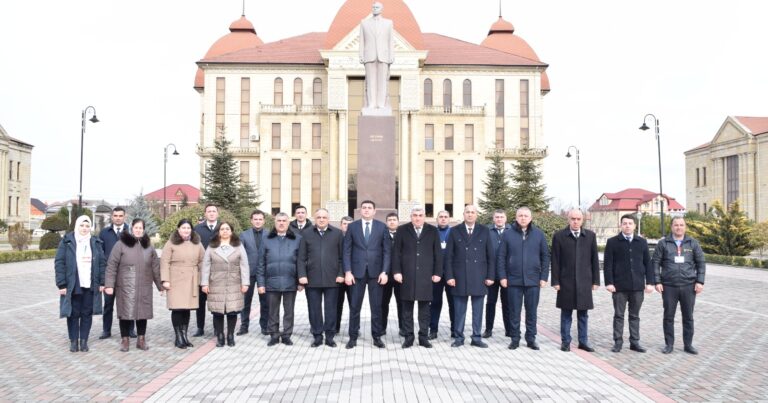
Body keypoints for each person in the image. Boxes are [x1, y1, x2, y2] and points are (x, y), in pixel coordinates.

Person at [104, 218, 163, 352]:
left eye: (140, 228)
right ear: (131, 229)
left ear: (143, 229)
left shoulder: (149, 247)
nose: (138, 230)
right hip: (125, 286)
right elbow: (112, 265)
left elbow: (155, 267)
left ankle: (141, 340)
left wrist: (160, 286)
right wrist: (109, 285)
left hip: (144, 286)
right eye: (136, 227)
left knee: (143, 313)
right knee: (125, 313)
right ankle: (125, 340)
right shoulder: (120, 245)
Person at [497, 207, 550, 350]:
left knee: (531, 311)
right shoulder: (508, 235)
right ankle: (515, 338)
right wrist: (502, 276)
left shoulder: (538, 234)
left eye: (526, 216)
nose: (523, 218)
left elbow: (545, 257)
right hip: (513, 280)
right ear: (516, 217)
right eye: (520, 215)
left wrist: (544, 276)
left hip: (533, 280)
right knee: (514, 311)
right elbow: (501, 257)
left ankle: (531, 338)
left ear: (531, 218)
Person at [652, 217, 706, 355]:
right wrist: (657, 282)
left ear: (685, 227)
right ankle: (669, 344)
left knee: (688, 317)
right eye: (676, 225)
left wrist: (700, 281)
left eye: (681, 225)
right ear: (671, 227)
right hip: (669, 286)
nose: (679, 227)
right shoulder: (663, 243)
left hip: (689, 285)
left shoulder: (693, 243)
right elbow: (655, 263)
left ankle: (688, 345)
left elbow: (701, 263)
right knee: (668, 316)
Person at [444, 205, 495, 348]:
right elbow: (449, 257)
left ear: (476, 215)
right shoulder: (454, 231)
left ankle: (476, 337)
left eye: (473, 212)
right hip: (459, 277)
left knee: (478, 310)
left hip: (479, 276)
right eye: (468, 212)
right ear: (463, 214)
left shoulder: (484, 231)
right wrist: (449, 276)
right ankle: (459, 337)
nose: (470, 215)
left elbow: (490, 255)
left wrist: (491, 276)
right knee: (459, 310)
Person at [392, 206, 442, 348]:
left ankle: (423, 337)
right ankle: (408, 337)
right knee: (407, 309)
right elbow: (396, 253)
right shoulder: (402, 230)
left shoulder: (432, 231)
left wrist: (438, 273)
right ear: (411, 216)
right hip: (406, 276)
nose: (417, 218)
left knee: (424, 310)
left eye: (420, 215)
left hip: (426, 277)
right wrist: (396, 271)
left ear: (424, 216)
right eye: (415, 215)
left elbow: (438, 254)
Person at [343, 200, 391, 349]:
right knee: (354, 307)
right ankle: (353, 337)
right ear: (360, 210)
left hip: (376, 274)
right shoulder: (352, 227)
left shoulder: (382, 227)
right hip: (356, 274)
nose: (366, 210)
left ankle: (376, 337)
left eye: (370, 208)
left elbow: (387, 251)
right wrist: (348, 272)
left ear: (374, 211)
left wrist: (385, 271)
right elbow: (347, 250)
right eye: (364, 208)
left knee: (376, 307)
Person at [551, 209, 600, 352]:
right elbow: (555, 260)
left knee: (583, 314)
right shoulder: (559, 236)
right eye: (573, 218)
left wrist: (596, 280)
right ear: (568, 219)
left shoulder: (590, 236)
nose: (576, 221)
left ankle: (583, 341)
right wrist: (555, 281)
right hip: (566, 282)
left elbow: (594, 260)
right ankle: (565, 341)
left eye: (578, 219)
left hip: (585, 282)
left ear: (582, 220)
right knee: (566, 314)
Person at [603, 214, 654, 353]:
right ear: (621, 225)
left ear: (634, 225)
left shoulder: (642, 242)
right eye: (624, 223)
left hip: (637, 286)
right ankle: (618, 342)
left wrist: (650, 282)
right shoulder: (613, 242)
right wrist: (609, 282)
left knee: (635, 316)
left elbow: (648, 264)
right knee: (619, 315)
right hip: (619, 287)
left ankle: (634, 342)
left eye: (630, 223)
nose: (627, 225)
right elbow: (608, 265)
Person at [55, 215, 106, 352]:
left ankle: (84, 340)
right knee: (73, 313)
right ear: (77, 226)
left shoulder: (95, 242)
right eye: (82, 225)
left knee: (86, 313)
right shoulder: (67, 241)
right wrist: (61, 284)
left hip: (90, 284)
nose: (84, 228)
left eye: (87, 225)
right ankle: (73, 341)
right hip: (74, 284)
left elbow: (102, 263)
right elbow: (59, 263)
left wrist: (102, 282)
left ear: (90, 227)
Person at [257, 212, 304, 346]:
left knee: (289, 311)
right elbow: (261, 263)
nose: (281, 223)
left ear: (288, 223)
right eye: (279, 221)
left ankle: (287, 335)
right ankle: (274, 335)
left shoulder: (297, 239)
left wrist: (300, 281)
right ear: (275, 223)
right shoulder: (266, 239)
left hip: (290, 281)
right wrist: (260, 283)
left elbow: (301, 261)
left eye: (284, 221)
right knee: (273, 311)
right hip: (271, 282)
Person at [298, 208, 344, 347]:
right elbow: (301, 258)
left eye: (324, 217)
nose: (322, 219)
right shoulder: (306, 234)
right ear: (314, 219)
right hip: (312, 279)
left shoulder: (337, 233)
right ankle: (317, 336)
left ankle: (330, 336)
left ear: (328, 219)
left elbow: (342, 257)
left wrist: (341, 274)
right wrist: (302, 275)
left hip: (332, 279)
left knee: (331, 309)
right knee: (314, 309)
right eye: (319, 217)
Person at [201, 222, 250, 347]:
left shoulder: (238, 246)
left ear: (232, 231)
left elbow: (244, 265)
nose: (225, 231)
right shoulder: (212, 246)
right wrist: (204, 283)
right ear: (218, 232)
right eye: (222, 229)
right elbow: (206, 265)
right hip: (216, 283)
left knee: (232, 311)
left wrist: (245, 283)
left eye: (227, 229)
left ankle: (230, 335)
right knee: (218, 311)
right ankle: (220, 336)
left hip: (234, 283)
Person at [161, 219, 205, 349]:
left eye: (188, 228)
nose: (186, 230)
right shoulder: (171, 243)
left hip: (192, 279)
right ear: (178, 229)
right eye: (183, 228)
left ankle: (184, 336)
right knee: (177, 308)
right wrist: (165, 280)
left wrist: (203, 279)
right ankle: (178, 337)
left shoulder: (197, 243)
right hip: (175, 280)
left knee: (187, 309)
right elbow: (164, 262)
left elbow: (202, 261)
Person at [99, 206, 133, 340]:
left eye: (120, 216)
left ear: (125, 217)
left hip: (126, 274)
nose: (118, 218)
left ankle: (130, 329)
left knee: (128, 303)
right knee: (108, 304)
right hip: (110, 275)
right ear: (112, 217)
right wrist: (102, 278)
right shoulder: (104, 233)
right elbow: (100, 256)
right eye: (115, 216)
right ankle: (106, 330)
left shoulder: (130, 232)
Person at [358, 1, 394, 113]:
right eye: (373, 7)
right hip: (369, 55)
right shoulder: (364, 23)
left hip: (383, 55)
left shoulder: (388, 23)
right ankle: (372, 104)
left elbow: (390, 40)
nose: (375, 8)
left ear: (381, 9)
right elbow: (361, 41)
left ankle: (381, 104)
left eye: (377, 7)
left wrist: (391, 55)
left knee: (382, 80)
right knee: (370, 80)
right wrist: (361, 54)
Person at [238, 210, 269, 336]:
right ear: (251, 220)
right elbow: (240, 255)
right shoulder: (244, 235)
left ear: (264, 221)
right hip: (248, 273)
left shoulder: (270, 234)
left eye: (260, 219)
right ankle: (244, 326)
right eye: (255, 219)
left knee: (265, 302)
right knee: (245, 302)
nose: (258, 221)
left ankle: (265, 326)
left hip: (265, 273)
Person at [484, 209, 512, 339]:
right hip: (491, 275)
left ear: (505, 219)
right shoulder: (487, 231)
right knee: (490, 303)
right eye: (497, 217)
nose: (499, 219)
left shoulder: (512, 231)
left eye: (501, 217)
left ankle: (509, 329)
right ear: (493, 219)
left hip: (507, 275)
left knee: (507, 303)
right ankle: (488, 329)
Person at [192, 203, 220, 337]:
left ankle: (217, 328)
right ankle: (200, 327)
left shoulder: (223, 228)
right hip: (201, 271)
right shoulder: (197, 229)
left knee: (216, 301)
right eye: (209, 211)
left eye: (214, 211)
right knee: (200, 302)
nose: (211, 213)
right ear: (205, 214)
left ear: (217, 214)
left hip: (217, 271)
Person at [429, 210, 454, 339]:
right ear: (436, 219)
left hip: (451, 275)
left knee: (453, 303)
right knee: (434, 303)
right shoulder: (432, 232)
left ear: (449, 219)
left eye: (446, 217)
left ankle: (455, 330)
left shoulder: (454, 232)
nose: (443, 219)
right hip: (435, 275)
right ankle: (433, 330)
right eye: (441, 217)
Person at [381, 211, 404, 337]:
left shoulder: (404, 234)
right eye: (389, 220)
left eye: (394, 219)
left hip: (400, 276)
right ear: (386, 222)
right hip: (385, 276)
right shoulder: (382, 235)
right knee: (383, 303)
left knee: (402, 303)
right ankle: (381, 328)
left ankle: (403, 328)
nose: (392, 221)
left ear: (398, 221)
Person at [335, 216, 354, 335]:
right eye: (344, 223)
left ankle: (354, 329)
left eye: (349, 224)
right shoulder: (335, 237)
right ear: (341, 225)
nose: (347, 226)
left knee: (354, 305)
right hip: (337, 277)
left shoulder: (357, 236)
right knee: (337, 304)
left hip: (353, 276)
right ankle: (335, 328)